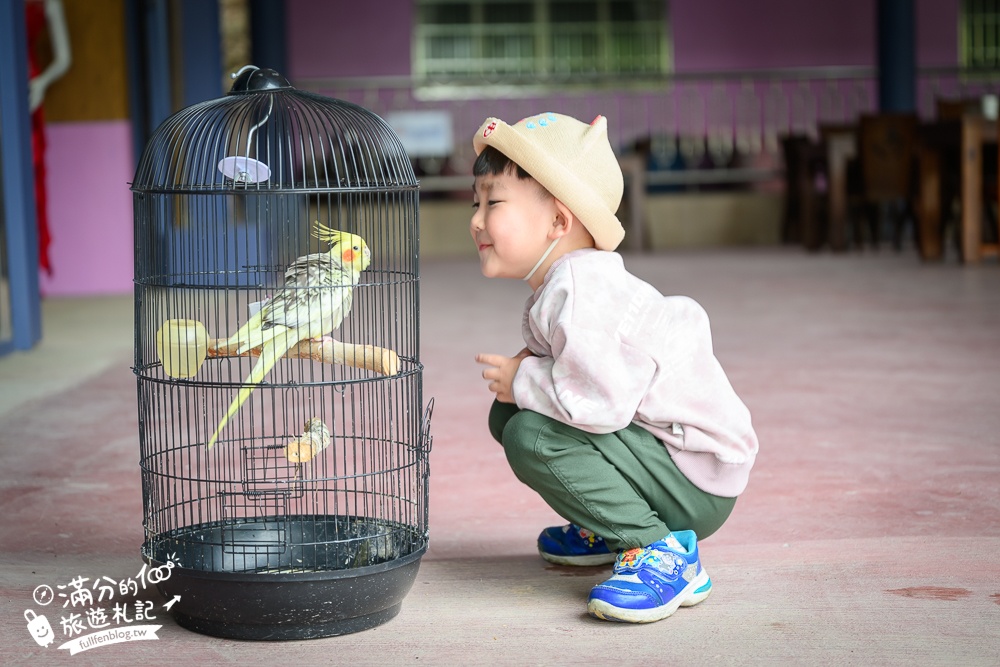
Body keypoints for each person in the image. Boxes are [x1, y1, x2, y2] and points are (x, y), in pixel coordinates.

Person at [471, 112, 759, 624]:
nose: (475, 219)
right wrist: (529, 374)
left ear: (559, 222)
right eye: (477, 203)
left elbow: (599, 404)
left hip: (693, 478)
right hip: (665, 458)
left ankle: (662, 553)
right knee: (509, 415)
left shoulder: (583, 290)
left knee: (531, 435)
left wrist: (526, 379)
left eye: (493, 203)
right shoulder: (567, 281)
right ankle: (611, 524)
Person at [26, 0, 72, 276]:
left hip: (28, 89)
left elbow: (64, 57)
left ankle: (28, 269)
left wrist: (40, 82)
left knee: (30, 182)